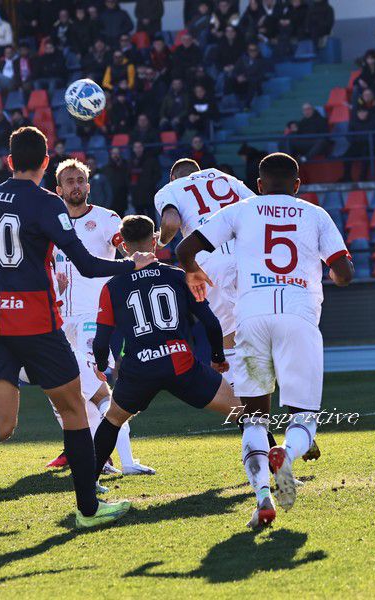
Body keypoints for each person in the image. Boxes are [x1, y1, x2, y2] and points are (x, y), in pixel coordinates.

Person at [0, 126, 156, 530]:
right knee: (75, 410)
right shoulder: (47, 204)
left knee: (1, 424)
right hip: (34, 324)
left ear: (9, 162)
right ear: (46, 163)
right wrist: (132, 264)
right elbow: (87, 264)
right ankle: (88, 511)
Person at [176, 152, 354, 525]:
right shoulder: (315, 214)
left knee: (255, 418)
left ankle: (262, 497)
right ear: (297, 185)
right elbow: (343, 272)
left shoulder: (243, 209)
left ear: (259, 185)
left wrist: (193, 272)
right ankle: (286, 456)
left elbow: (184, 249)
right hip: (299, 317)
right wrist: (331, 274)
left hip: (252, 317)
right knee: (304, 418)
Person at [91, 215, 242, 514]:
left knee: (112, 421)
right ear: (155, 240)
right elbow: (211, 323)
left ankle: (88, 483)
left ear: (122, 246)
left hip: (139, 369)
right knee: (242, 411)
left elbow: (101, 340)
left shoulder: (112, 286)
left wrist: (101, 365)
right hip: (181, 363)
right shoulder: (177, 275)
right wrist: (217, 358)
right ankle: (273, 468)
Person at [44, 158, 154, 475]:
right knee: (62, 390)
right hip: (59, 319)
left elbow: (127, 253)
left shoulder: (106, 219)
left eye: (81, 180)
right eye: (70, 181)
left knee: (96, 384)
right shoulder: (51, 223)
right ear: (58, 189)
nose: (76, 186)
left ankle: (119, 457)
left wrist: (140, 261)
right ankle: (85, 449)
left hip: (95, 316)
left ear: (88, 186)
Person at [154, 158, 255, 387]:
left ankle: (239, 400)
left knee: (227, 331)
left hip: (208, 259)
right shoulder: (224, 177)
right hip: (247, 254)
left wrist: (161, 242)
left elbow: (171, 221)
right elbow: (258, 206)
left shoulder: (169, 190)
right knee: (255, 321)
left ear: (173, 177)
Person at [129, 142, 161, 215]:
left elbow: (158, 175)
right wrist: (132, 186)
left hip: (149, 194)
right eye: (136, 147)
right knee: (140, 219)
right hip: (136, 195)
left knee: (151, 216)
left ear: (143, 148)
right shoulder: (130, 161)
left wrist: (150, 184)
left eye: (139, 147)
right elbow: (127, 177)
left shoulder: (151, 160)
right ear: (133, 149)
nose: (138, 149)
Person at [104, 147, 131, 216]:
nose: (115, 155)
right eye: (114, 153)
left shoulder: (126, 166)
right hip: (110, 200)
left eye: (117, 153)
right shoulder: (106, 168)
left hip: (122, 198)